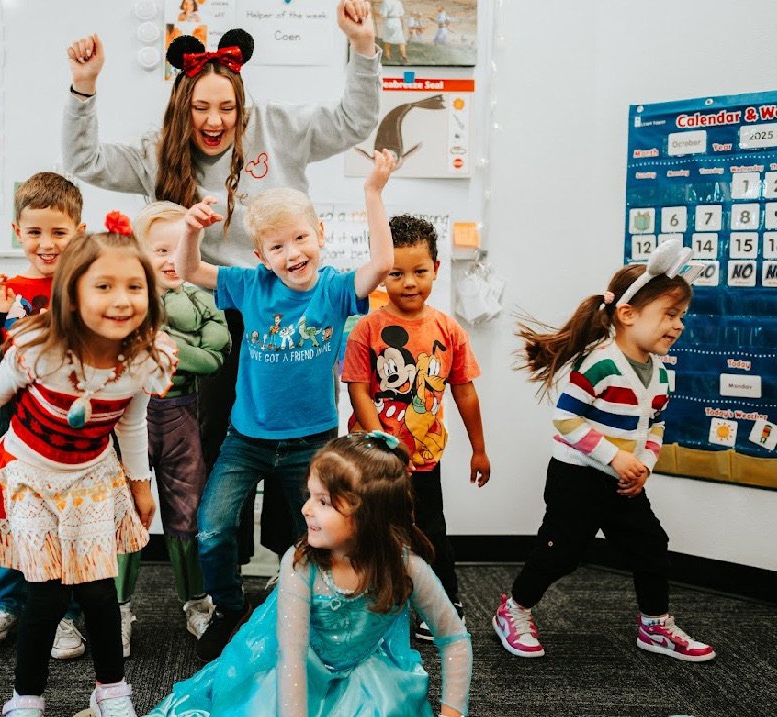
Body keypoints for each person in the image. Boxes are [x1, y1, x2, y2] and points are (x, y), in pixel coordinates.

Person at [63, 5, 381, 545]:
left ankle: (295, 555)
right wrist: (84, 86)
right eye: (201, 109)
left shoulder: (278, 127)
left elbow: (356, 120)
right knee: (215, 441)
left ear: (242, 105)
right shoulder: (157, 153)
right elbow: (85, 160)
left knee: (301, 438)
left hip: (286, 308)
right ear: (183, 107)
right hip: (207, 312)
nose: (214, 121)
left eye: (226, 108)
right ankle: (219, 567)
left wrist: (364, 47)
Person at [0, 222, 175, 717]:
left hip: (92, 477)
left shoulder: (145, 359)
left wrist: (140, 484)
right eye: (103, 286)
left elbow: (132, 424)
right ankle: (27, 697)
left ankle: (112, 694)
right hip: (32, 476)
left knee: (101, 593)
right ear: (72, 294)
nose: (121, 300)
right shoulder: (42, 348)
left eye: (134, 286)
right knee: (46, 594)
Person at [175, 150, 397, 661]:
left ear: (319, 233)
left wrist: (373, 192)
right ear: (261, 255)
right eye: (277, 246)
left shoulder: (338, 290)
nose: (293, 252)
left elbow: (382, 264)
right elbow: (189, 268)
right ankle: (229, 609)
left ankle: (300, 612)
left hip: (312, 443)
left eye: (301, 238)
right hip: (246, 440)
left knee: (312, 540)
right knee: (211, 528)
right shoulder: (250, 285)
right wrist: (190, 228)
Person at [493, 239, 716, 662]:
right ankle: (514, 609)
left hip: (624, 482)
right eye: (669, 314)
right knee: (561, 554)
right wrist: (615, 457)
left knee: (652, 546)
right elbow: (566, 419)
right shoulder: (600, 361)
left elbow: (656, 426)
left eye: (681, 316)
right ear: (628, 315)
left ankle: (655, 626)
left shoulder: (660, 373)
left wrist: (644, 465)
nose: (679, 325)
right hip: (576, 477)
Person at [146, 432, 472, 717]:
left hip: (365, 676)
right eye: (310, 496)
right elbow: (292, 658)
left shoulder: (406, 566)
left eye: (324, 502)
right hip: (293, 669)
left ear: (368, 516)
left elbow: (455, 638)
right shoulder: (300, 565)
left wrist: (452, 712)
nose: (305, 509)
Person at [0, 172, 88, 658]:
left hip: (76, 436)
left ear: (79, 231)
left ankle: (67, 615)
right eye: (34, 232)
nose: (46, 244)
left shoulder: (88, 288)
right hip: (16, 433)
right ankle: (5, 603)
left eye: (58, 232)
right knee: (6, 516)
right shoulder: (7, 292)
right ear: (16, 231)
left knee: (65, 524)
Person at [343, 214, 490, 641]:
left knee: (430, 533)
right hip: (374, 459)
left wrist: (479, 448)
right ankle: (363, 607)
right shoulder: (366, 330)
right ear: (380, 272)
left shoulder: (449, 330)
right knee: (367, 531)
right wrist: (385, 445)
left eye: (419, 271)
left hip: (425, 459)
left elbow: (464, 392)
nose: (409, 282)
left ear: (436, 270)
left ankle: (443, 607)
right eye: (396, 272)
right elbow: (359, 393)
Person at [112, 201, 231, 656]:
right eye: (161, 248)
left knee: (188, 515)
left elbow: (213, 358)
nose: (171, 259)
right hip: (129, 419)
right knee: (126, 516)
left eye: (181, 247)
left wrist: (162, 342)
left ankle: (197, 603)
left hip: (183, 417)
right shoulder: (126, 298)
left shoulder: (203, 298)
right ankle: (117, 609)